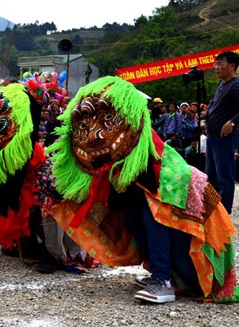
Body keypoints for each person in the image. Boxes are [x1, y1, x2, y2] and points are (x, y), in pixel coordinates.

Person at [47, 76, 239, 303]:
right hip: (183, 269)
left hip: (199, 270)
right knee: (132, 214)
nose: (95, 134)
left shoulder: (160, 162)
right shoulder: (124, 161)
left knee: (154, 212)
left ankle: (163, 280)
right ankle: (166, 274)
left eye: (108, 118)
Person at [200, 51, 239, 213]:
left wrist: (232, 122)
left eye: (220, 64)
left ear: (232, 66)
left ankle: (224, 216)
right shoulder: (222, 84)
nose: (216, 68)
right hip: (212, 138)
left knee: (224, 179)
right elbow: (214, 103)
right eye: (215, 64)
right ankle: (214, 215)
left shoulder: (235, 85)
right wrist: (206, 113)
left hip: (224, 139)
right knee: (211, 178)